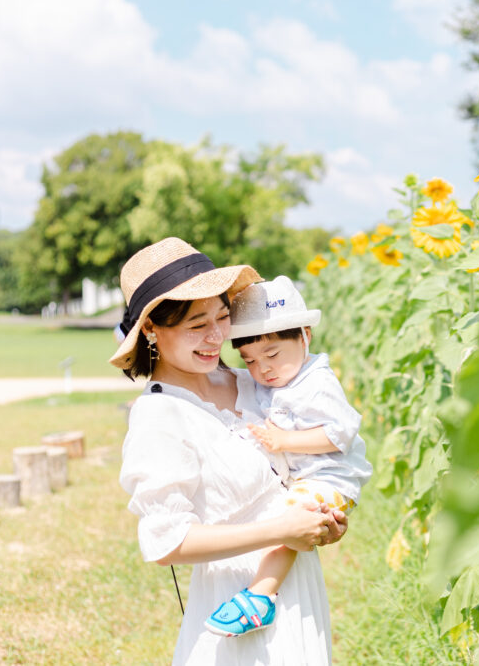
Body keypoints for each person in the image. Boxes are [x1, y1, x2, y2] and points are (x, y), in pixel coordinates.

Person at [111, 238, 347, 665]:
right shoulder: (159, 415)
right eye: (197, 324)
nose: (217, 336)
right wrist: (283, 531)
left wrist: (321, 520)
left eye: (222, 316)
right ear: (151, 329)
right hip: (235, 604)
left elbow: (309, 465)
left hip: (299, 589)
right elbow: (166, 542)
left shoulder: (253, 381)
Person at [203, 276, 372, 637]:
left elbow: (339, 433)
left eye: (273, 355)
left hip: (329, 478)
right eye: (249, 360)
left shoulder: (316, 383)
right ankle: (260, 592)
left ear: (304, 336)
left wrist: (284, 440)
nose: (263, 368)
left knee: (289, 524)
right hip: (307, 477)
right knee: (288, 523)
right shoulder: (275, 382)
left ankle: (260, 596)